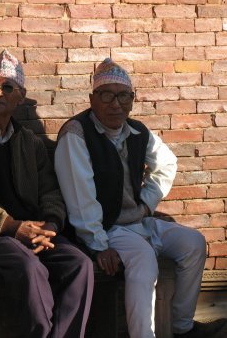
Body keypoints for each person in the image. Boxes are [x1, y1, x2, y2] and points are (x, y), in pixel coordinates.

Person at [54, 58, 227, 338]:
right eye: (106, 95)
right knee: (144, 260)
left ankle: (182, 327)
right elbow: (79, 196)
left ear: (132, 100)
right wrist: (98, 244)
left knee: (193, 243)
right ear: (92, 99)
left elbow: (167, 163)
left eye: (124, 96)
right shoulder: (76, 133)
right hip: (106, 227)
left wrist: (147, 203)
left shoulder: (136, 131)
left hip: (138, 221)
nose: (116, 104)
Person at [0, 49, 94, 338]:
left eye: (7, 87)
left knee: (79, 263)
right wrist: (13, 227)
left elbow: (51, 190)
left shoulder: (29, 141)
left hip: (32, 231)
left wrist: (51, 225)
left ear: (20, 96)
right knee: (28, 266)